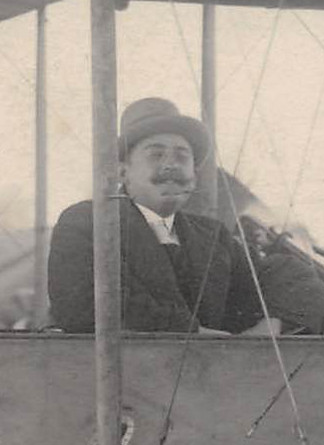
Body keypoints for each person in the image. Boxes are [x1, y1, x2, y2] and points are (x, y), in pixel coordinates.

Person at [48, 97, 278, 335]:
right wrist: (195, 333)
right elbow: (81, 307)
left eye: (182, 157)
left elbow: (282, 277)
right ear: (123, 172)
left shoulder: (213, 235)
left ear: (194, 176)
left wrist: (274, 324)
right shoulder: (88, 223)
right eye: (156, 155)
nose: (171, 165)